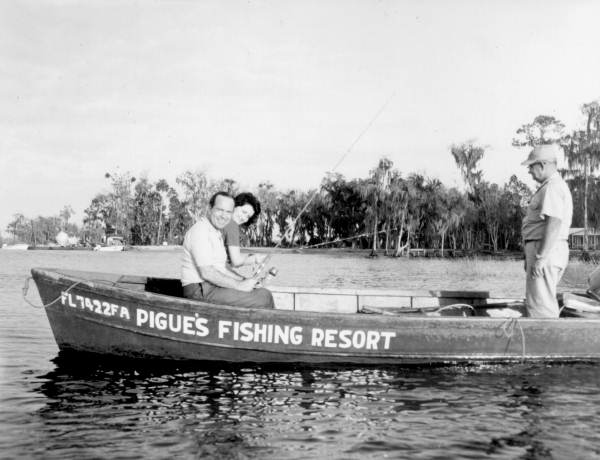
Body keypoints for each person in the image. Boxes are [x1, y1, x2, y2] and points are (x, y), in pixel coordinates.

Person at [181, 191, 274, 309]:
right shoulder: (200, 231)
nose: (224, 216)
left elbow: (222, 269)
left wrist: (244, 280)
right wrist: (239, 285)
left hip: (211, 286)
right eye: (220, 210)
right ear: (210, 208)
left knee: (262, 292)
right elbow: (207, 272)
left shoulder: (216, 233)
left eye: (228, 212)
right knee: (264, 297)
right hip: (199, 290)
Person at [521, 143, 573, 318]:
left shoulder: (553, 186)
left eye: (531, 166)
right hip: (546, 251)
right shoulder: (551, 186)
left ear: (542, 165)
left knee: (540, 308)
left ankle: (543, 343)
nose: (529, 170)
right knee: (541, 301)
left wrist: (540, 258)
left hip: (546, 252)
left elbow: (554, 223)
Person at [223, 192, 267, 269]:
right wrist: (255, 259)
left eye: (248, 217)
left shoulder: (222, 221)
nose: (244, 218)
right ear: (234, 205)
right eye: (244, 212)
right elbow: (236, 262)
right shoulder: (232, 225)